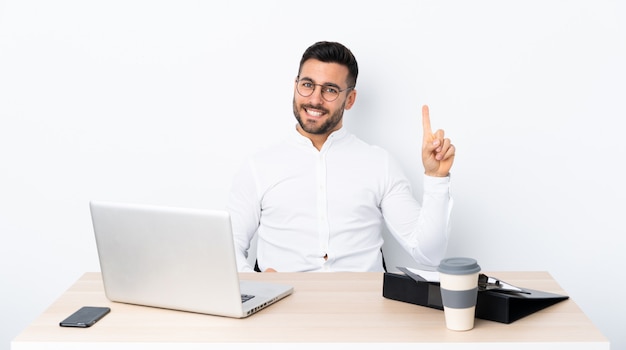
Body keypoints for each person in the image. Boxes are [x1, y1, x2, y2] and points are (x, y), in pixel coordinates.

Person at [227, 41, 455, 272]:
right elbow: (228, 248)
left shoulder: (379, 164)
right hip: (284, 303)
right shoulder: (258, 166)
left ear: (350, 99)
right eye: (307, 85)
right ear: (295, 85)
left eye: (330, 90)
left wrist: (436, 178)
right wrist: (258, 285)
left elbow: (429, 255)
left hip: (364, 304)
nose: (315, 99)